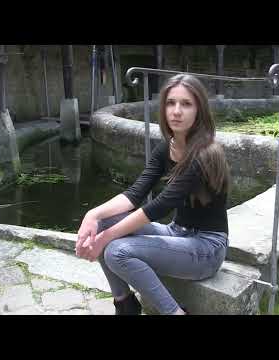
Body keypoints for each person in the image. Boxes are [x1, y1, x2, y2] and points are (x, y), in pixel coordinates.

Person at [75, 74, 230, 315]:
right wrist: (92, 215)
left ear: (199, 110)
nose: (176, 111)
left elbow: (160, 205)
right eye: (171, 103)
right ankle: (125, 304)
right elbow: (135, 194)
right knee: (105, 221)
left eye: (186, 104)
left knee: (117, 250)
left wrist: (105, 238)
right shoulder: (166, 147)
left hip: (207, 248)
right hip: (176, 233)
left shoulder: (205, 154)